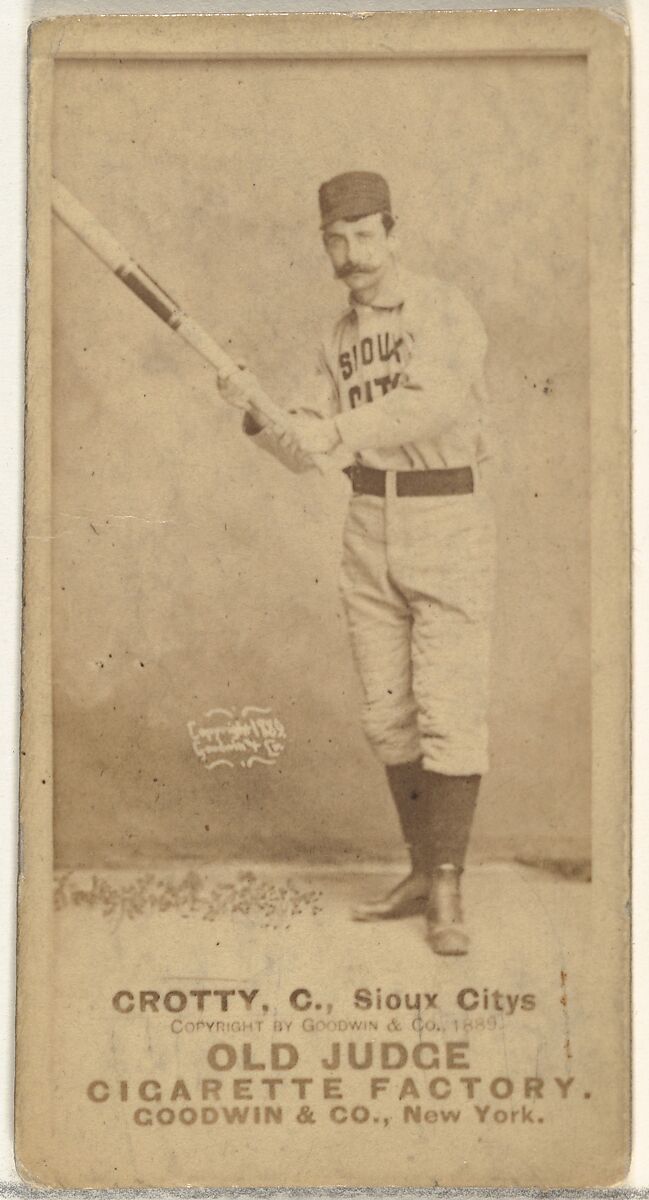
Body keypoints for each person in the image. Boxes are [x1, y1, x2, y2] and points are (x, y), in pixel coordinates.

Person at [218, 170, 496, 956]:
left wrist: (331, 434)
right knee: (386, 712)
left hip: (448, 515)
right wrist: (255, 414)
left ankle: (447, 883)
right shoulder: (334, 340)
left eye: (364, 235)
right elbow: (302, 450)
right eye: (334, 240)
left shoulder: (440, 308)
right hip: (368, 519)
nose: (349, 253)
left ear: (392, 232)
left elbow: (428, 404)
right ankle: (418, 869)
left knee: (447, 704)